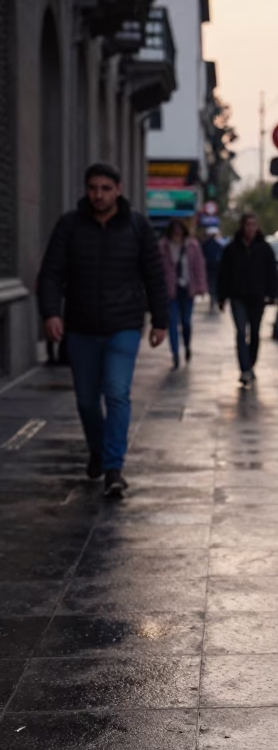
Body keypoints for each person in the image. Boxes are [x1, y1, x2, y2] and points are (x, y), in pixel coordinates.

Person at [38, 162, 168, 498]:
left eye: (105, 189)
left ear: (118, 190)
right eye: (93, 188)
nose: (99, 195)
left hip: (124, 325)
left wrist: (161, 321)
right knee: (85, 401)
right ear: (86, 190)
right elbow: (51, 273)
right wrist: (51, 313)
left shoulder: (137, 226)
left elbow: (155, 275)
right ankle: (97, 450)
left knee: (116, 392)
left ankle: (113, 467)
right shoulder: (69, 225)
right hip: (80, 327)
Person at [217, 213, 278, 386]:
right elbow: (224, 274)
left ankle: (250, 365)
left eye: (253, 224)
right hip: (238, 297)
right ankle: (245, 369)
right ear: (242, 226)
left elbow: (271, 273)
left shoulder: (264, 248)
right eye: (247, 224)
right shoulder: (232, 248)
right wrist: (222, 297)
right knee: (241, 333)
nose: (250, 228)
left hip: (258, 298)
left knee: (255, 333)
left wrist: (271, 294)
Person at [159, 219, 207, 368]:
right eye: (175, 229)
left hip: (187, 288)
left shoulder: (192, 245)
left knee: (186, 321)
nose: (177, 232)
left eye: (180, 228)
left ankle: (186, 346)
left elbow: (199, 266)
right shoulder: (163, 246)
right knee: (172, 323)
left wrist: (201, 286)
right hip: (170, 289)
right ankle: (175, 354)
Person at [201, 228, 224, 312]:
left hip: (211, 268)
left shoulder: (206, 244)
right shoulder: (218, 244)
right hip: (213, 268)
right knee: (214, 284)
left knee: (212, 285)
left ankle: (213, 298)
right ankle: (214, 298)